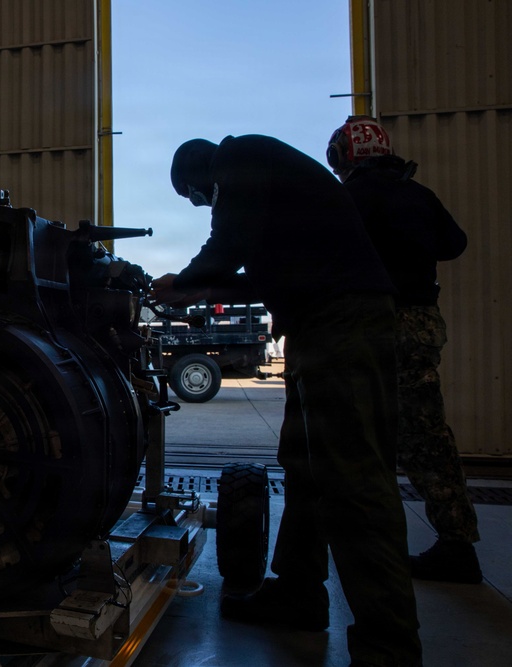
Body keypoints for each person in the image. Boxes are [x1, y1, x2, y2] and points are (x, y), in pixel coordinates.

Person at [152, 135, 422, 667]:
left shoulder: (241, 156)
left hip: (342, 323)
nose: (206, 206)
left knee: (354, 482)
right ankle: (298, 594)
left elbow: (228, 243)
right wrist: (200, 289)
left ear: (199, 175)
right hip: (318, 324)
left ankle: (390, 644)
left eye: (198, 198)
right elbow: (264, 266)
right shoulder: (269, 177)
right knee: (304, 468)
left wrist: (184, 282)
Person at [328, 115, 480, 583]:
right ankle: (455, 540)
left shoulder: (350, 198)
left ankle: (384, 546)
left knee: (368, 438)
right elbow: (454, 244)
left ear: (345, 157)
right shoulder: (418, 195)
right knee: (426, 434)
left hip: (377, 327)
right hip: (422, 326)